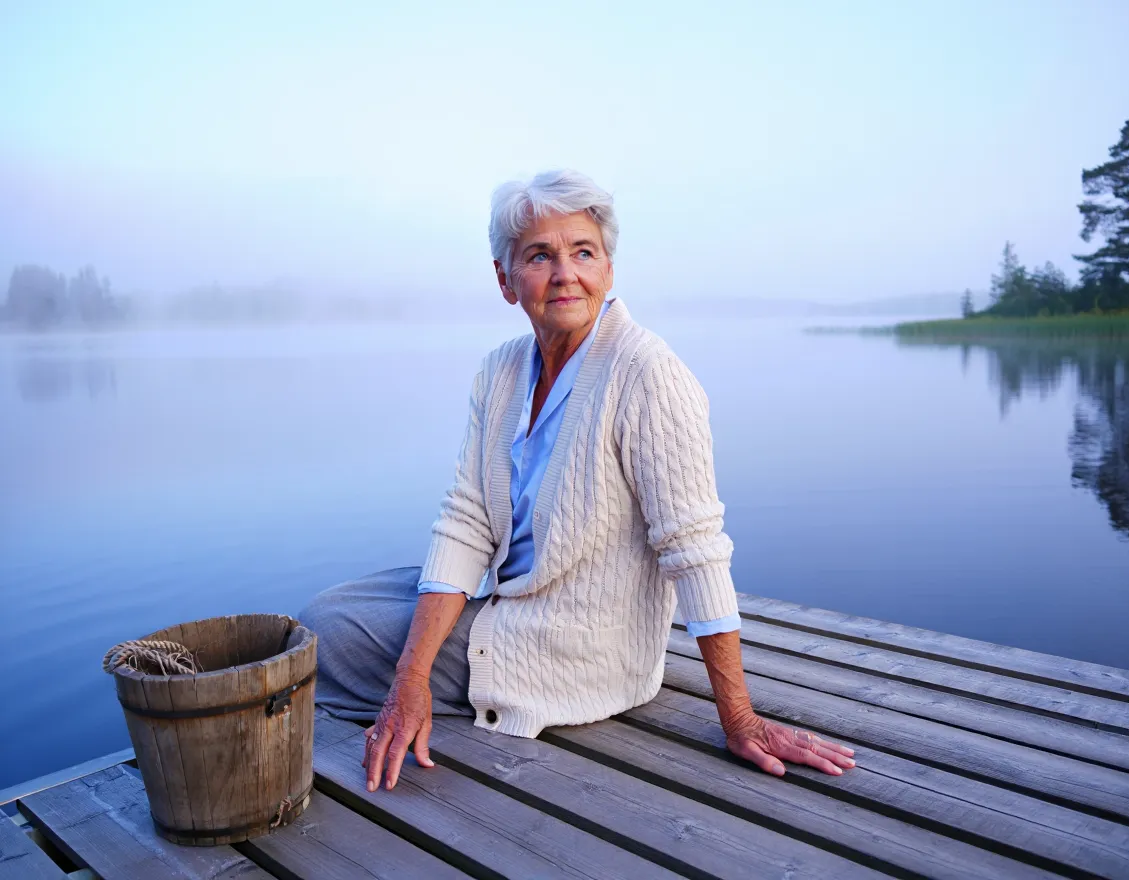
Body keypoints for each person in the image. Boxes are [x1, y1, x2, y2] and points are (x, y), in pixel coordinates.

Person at [299, 170, 856, 792]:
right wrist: (409, 677)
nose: (566, 273)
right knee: (325, 611)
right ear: (506, 280)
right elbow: (467, 519)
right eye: (540, 255)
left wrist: (741, 718)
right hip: (514, 598)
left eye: (583, 252)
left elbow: (694, 550)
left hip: (579, 650)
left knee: (319, 645)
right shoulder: (502, 370)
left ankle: (442, 691)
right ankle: (414, 683)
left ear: (609, 270)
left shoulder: (648, 375)